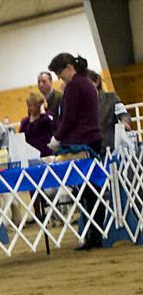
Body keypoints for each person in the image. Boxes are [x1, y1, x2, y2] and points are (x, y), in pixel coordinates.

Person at [48, 52, 103, 248]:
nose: (58, 78)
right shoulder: (86, 82)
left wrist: (56, 138)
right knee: (93, 190)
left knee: (87, 192)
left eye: (58, 73)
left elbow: (69, 118)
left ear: (68, 67)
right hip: (93, 140)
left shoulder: (74, 86)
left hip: (82, 143)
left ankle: (94, 236)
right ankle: (96, 234)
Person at [89, 71, 123, 151]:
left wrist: (125, 121)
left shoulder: (112, 97)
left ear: (97, 81)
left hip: (111, 145)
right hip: (91, 149)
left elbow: (123, 113)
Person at [19, 91, 56, 156]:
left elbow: (50, 123)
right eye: (29, 105)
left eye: (33, 105)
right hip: (31, 155)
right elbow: (21, 138)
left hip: (47, 154)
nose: (30, 108)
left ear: (39, 105)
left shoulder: (47, 117)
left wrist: (43, 111)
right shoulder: (25, 122)